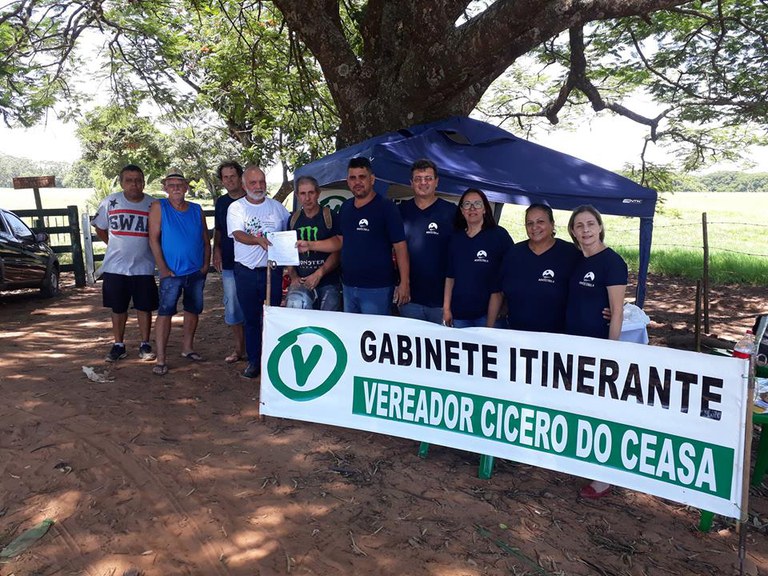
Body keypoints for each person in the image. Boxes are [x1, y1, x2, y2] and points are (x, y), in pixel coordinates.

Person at [565, 204, 628, 499]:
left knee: (600, 411)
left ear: (600, 227)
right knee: (580, 407)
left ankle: (603, 477)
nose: (586, 230)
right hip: (573, 345)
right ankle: (583, 462)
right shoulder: (576, 261)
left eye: (591, 224)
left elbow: (616, 312)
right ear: (572, 231)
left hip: (598, 348)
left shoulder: (612, 263)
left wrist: (610, 353)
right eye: (579, 226)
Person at [297, 157, 410, 315]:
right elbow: (339, 241)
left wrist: (404, 282)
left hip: (377, 289)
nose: (357, 182)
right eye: (352, 178)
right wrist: (310, 245)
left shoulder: (386, 207)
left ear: (372, 179)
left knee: (373, 335)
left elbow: (400, 247)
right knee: (352, 337)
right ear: (348, 181)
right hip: (349, 287)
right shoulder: (346, 207)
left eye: (362, 177)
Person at [228, 165, 290, 379]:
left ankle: (273, 361)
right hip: (246, 272)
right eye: (253, 183)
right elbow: (237, 234)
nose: (258, 186)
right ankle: (255, 361)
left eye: (262, 182)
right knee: (252, 319)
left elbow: (289, 231)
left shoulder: (277, 208)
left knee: (272, 318)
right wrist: (257, 240)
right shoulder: (236, 208)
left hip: (272, 273)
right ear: (244, 185)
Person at [92, 164, 158, 362]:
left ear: (144, 182)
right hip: (115, 266)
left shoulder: (153, 205)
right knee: (118, 307)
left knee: (144, 307)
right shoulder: (110, 202)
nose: (134, 184)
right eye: (129, 180)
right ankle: (118, 345)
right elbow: (100, 228)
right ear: (122, 182)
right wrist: (115, 245)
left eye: (138, 180)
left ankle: (145, 344)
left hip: (144, 266)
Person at [148, 169, 211, 376]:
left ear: (186, 188)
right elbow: (153, 239)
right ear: (165, 188)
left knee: (193, 310)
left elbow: (205, 238)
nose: (176, 188)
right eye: (171, 184)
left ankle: (187, 348)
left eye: (180, 184)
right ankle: (161, 357)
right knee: (165, 312)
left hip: (195, 271)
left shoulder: (196, 209)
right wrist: (164, 269)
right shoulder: (159, 206)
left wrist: (205, 265)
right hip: (172, 273)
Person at [490, 203, 580, 332]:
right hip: (516, 335)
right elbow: (498, 292)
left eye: (540, 222)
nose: (534, 227)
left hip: (557, 339)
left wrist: (608, 307)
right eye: (529, 223)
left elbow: (590, 284)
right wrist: (488, 330)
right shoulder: (513, 253)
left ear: (552, 224)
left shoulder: (571, 253)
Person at [443, 188, 512, 328]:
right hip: (460, 315)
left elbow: (512, 272)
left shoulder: (499, 235)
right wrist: (446, 309)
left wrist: (506, 305)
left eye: (477, 204)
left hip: (490, 315)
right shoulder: (456, 238)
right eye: (467, 204)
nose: (472, 208)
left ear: (485, 209)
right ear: (462, 210)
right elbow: (450, 277)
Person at [398, 159, 455, 324]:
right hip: (409, 299)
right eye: (418, 179)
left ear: (436, 182)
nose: (423, 182)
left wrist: (448, 304)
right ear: (411, 183)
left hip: (441, 302)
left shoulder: (451, 212)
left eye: (428, 178)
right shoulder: (400, 211)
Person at [285, 176, 341, 311]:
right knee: (297, 316)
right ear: (297, 196)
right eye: (303, 194)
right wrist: (293, 276)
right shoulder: (293, 220)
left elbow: (338, 250)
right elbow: (288, 250)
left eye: (311, 193)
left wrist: (319, 274)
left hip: (328, 282)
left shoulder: (331, 217)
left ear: (318, 193)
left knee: (328, 324)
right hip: (301, 281)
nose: (307, 198)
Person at [212, 161, 246, 363]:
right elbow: (218, 229)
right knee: (232, 306)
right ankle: (238, 349)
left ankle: (257, 348)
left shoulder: (252, 199)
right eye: (226, 177)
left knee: (254, 306)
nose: (230, 180)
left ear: (240, 177)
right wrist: (216, 249)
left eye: (233, 176)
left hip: (252, 264)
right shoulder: (221, 202)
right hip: (229, 263)